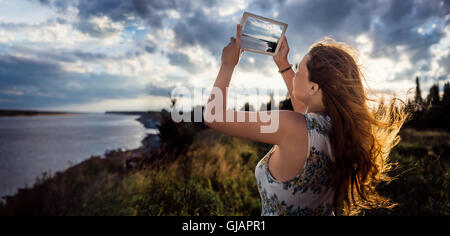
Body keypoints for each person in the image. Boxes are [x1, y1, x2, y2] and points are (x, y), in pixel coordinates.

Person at [204, 23, 410, 216]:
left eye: (299, 70)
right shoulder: (337, 128)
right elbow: (305, 112)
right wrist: (283, 63)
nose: (295, 75)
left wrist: (227, 64)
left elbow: (214, 117)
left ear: (314, 87)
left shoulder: (291, 126)